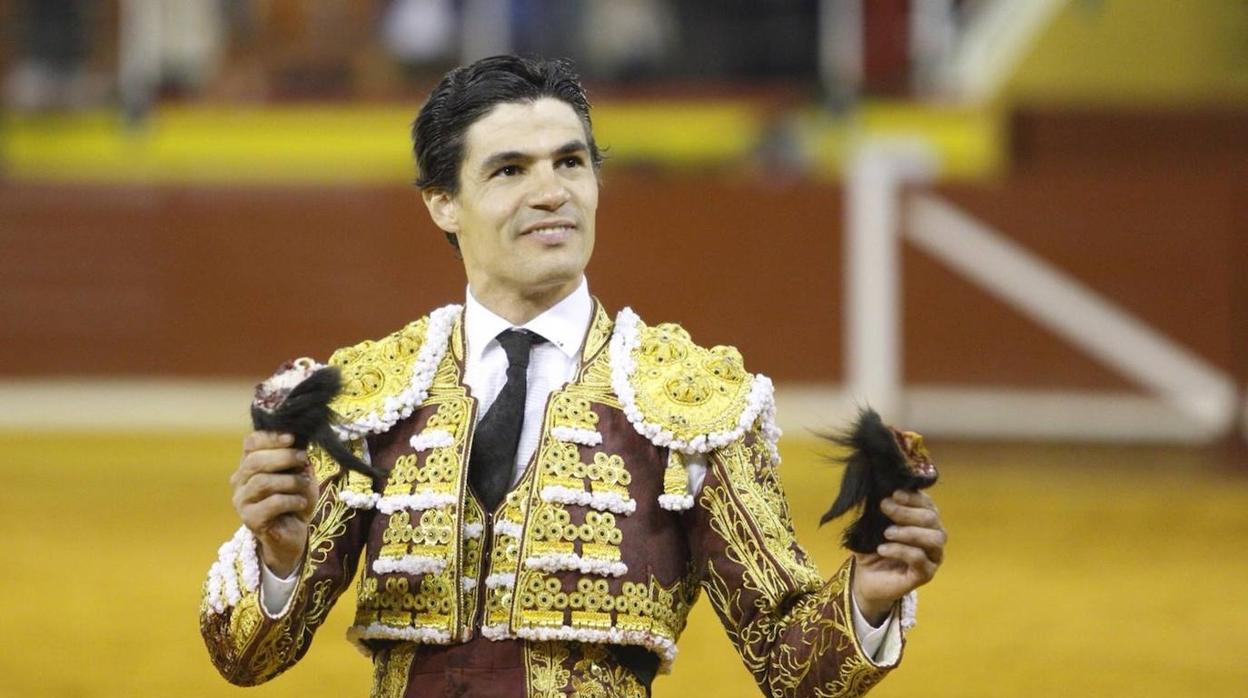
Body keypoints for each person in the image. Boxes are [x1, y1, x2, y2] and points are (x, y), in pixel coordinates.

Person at [200, 55, 946, 697]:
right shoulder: (369, 396)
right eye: (509, 171)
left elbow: (790, 667)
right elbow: (245, 657)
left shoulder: (685, 402)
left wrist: (868, 598)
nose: (552, 191)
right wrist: (279, 559)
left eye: (571, 161)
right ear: (442, 204)